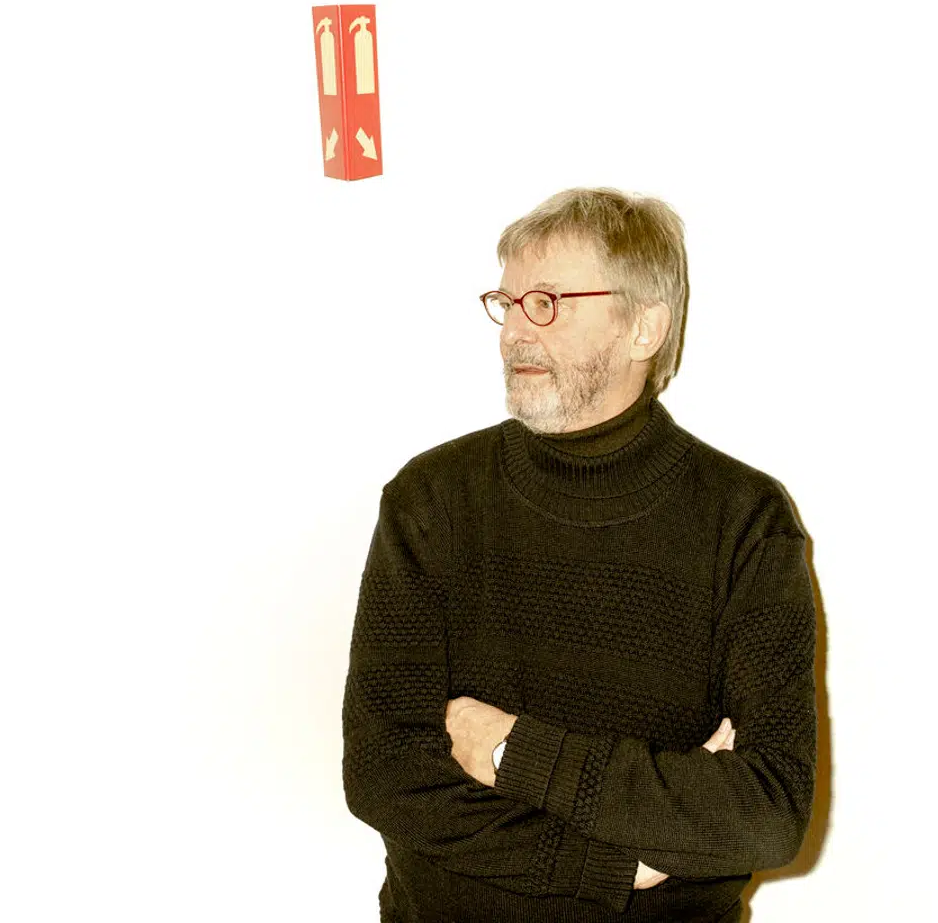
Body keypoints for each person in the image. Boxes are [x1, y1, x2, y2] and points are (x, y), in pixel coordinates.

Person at [342, 187, 817, 922]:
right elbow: (385, 774)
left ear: (644, 327)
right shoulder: (431, 499)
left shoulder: (746, 520)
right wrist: (619, 861)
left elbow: (768, 811)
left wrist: (513, 750)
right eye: (507, 303)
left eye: (547, 303)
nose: (513, 333)